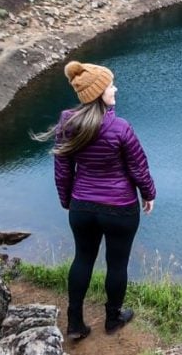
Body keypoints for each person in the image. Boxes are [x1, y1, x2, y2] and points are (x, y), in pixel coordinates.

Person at [35, 60, 156, 340]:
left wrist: (68, 201)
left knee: (83, 259)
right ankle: (113, 319)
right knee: (117, 264)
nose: (115, 88)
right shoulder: (121, 128)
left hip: (82, 207)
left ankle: (75, 323)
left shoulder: (68, 123)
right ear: (99, 92)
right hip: (120, 208)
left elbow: (62, 170)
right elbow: (139, 168)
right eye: (110, 85)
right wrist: (149, 194)